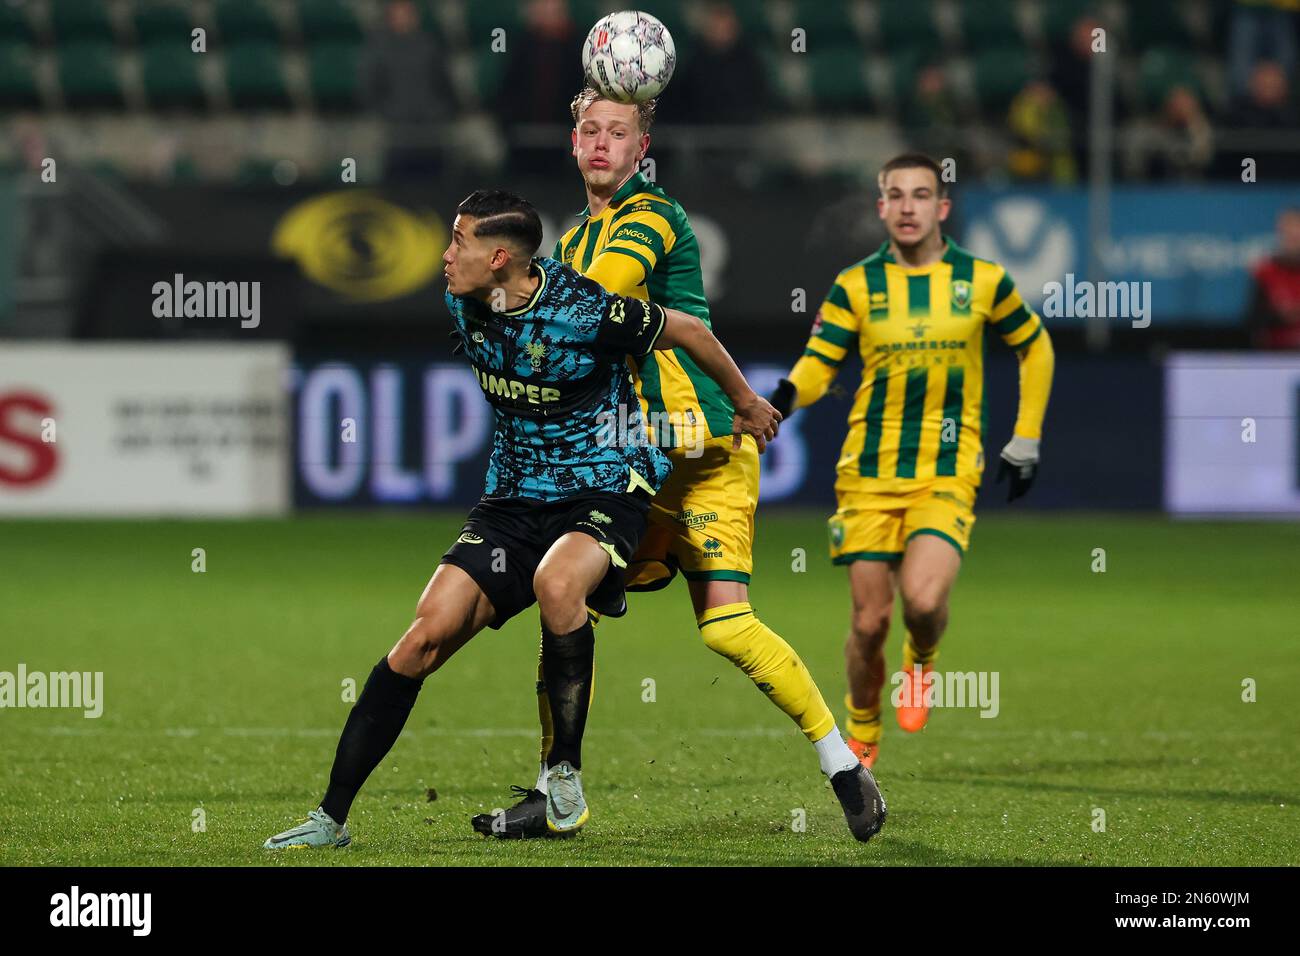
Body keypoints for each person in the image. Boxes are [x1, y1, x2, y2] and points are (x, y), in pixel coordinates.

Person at [263, 189, 780, 848]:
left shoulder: (585, 310)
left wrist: (743, 400)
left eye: (459, 241)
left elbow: (689, 330)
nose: (445, 254)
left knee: (558, 585)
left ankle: (562, 777)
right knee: (419, 640)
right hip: (512, 500)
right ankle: (329, 820)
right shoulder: (462, 298)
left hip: (603, 487)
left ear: (500, 256)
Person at [470, 88, 887, 843]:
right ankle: (555, 790)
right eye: (589, 131)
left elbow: (613, 295)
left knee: (727, 629)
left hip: (703, 453)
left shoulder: (653, 216)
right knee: (561, 597)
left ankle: (843, 765)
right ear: (571, 144)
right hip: (632, 456)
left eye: (618, 132)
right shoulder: (564, 248)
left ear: (642, 147)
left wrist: (522, 293)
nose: (602, 143)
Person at [767, 154, 1055, 768]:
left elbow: (1035, 346)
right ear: (880, 207)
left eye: (920, 195)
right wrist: (783, 400)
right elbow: (822, 361)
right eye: (894, 195)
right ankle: (862, 728)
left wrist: (1025, 437)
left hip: (947, 471)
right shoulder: (855, 285)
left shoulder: (982, 280)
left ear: (942, 208)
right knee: (870, 622)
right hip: (868, 476)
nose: (906, 207)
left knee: (922, 604)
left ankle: (921, 660)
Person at [1246, 207, 1300, 349]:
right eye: (1287, 231)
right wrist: (1281, 315)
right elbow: (1254, 318)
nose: (1292, 237)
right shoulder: (1266, 271)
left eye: (1296, 230)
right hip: (1276, 353)